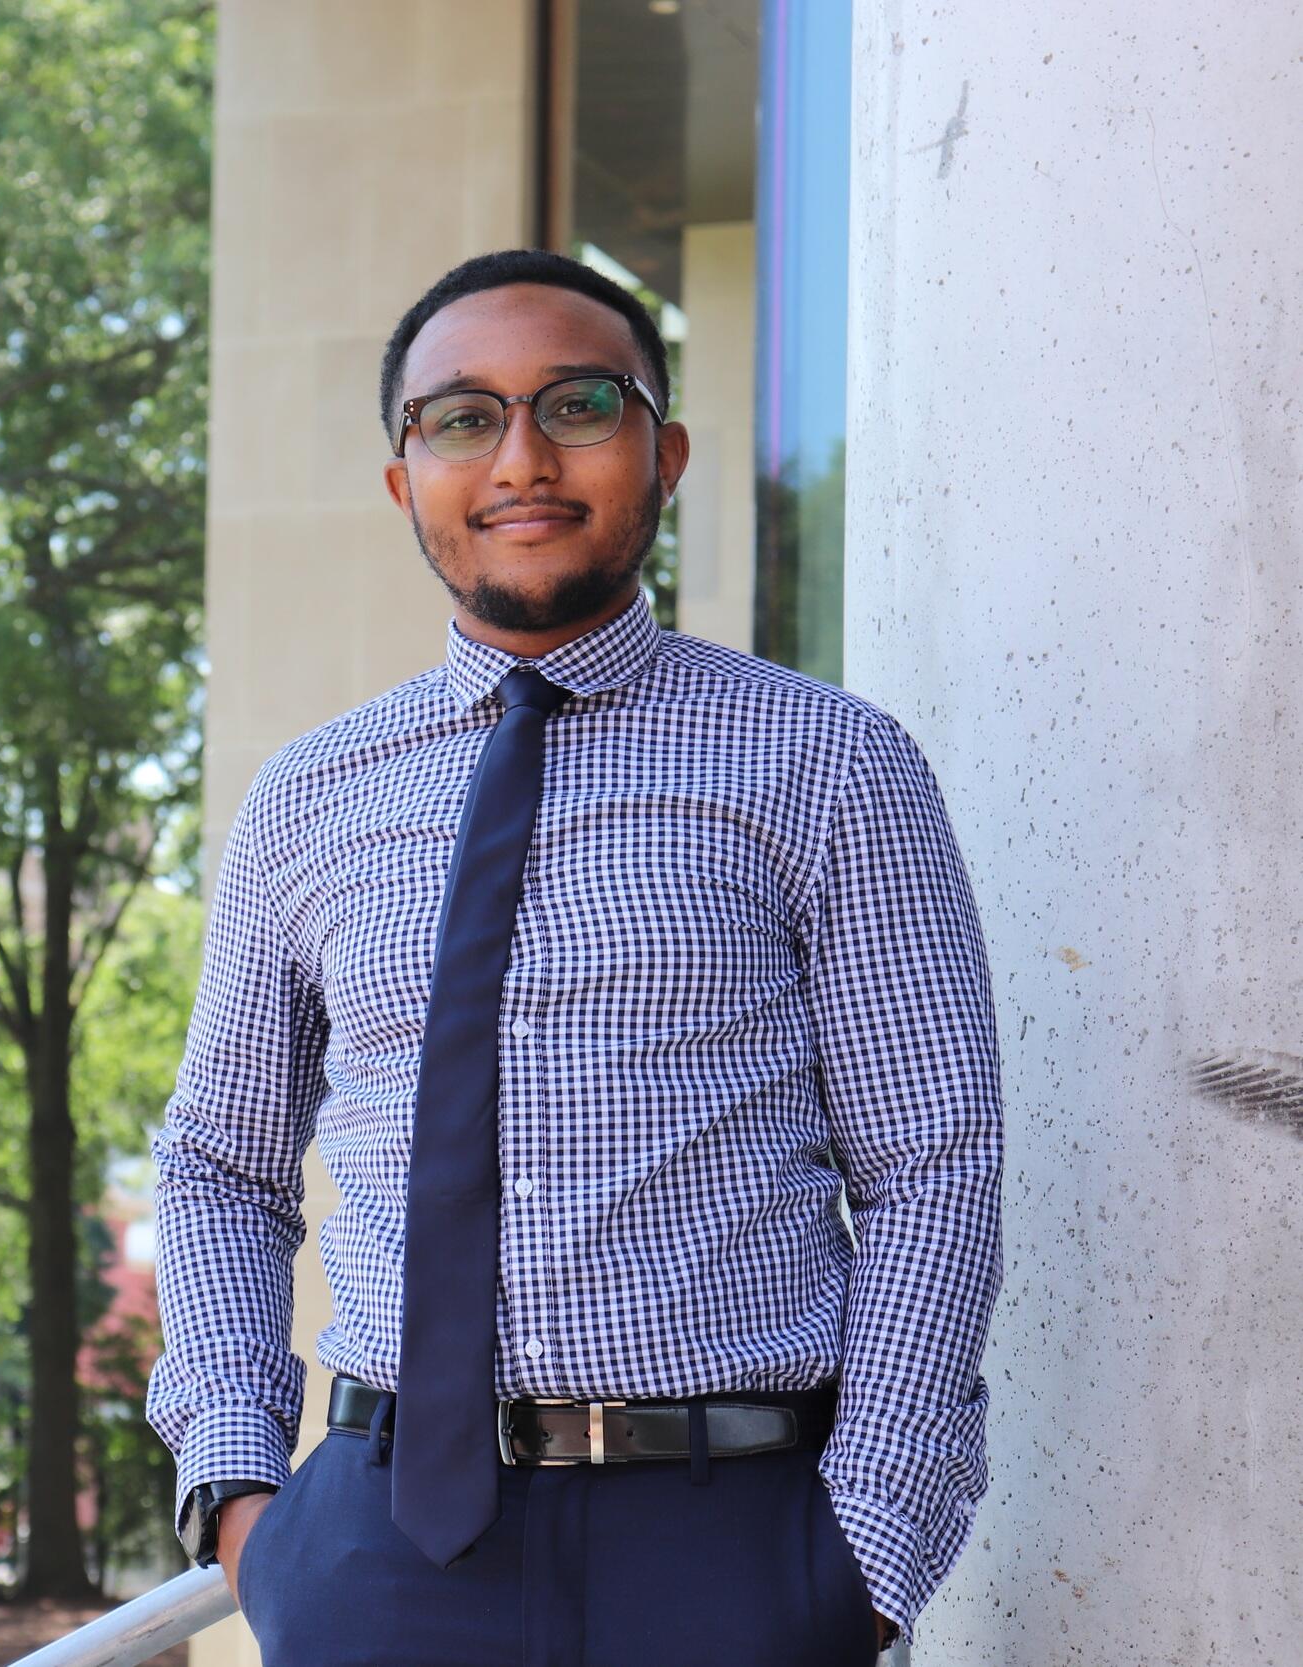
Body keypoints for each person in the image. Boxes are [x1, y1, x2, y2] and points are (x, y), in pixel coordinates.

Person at [144, 247, 1002, 1665]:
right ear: (403, 477)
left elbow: (931, 1166)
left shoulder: (831, 763)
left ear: (662, 455)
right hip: (378, 1554)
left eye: (578, 405)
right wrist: (246, 1498)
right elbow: (222, 1163)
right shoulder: (310, 797)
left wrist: (867, 1548)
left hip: (733, 1549)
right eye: (462, 418)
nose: (522, 458)